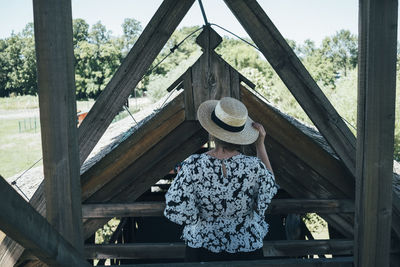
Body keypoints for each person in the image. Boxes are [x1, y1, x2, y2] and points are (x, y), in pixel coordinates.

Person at [164, 97, 278, 262]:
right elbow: (270, 185)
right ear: (240, 135)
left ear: (212, 133)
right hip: (245, 247)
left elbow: (176, 206)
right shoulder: (253, 166)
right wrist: (260, 144)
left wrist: (197, 220)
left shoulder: (192, 164)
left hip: (202, 246)